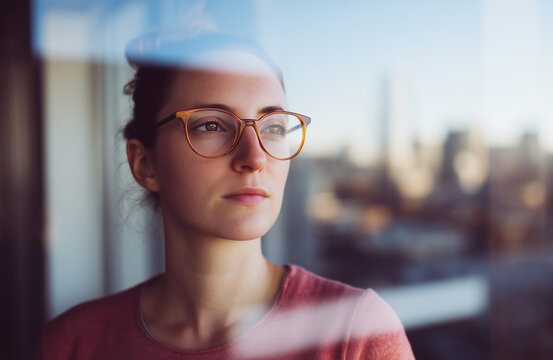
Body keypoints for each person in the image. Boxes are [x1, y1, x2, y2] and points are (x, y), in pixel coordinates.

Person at [37, 28, 415, 359]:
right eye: (213, 124)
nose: (254, 158)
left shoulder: (357, 335)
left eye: (274, 128)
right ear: (144, 163)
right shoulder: (75, 343)